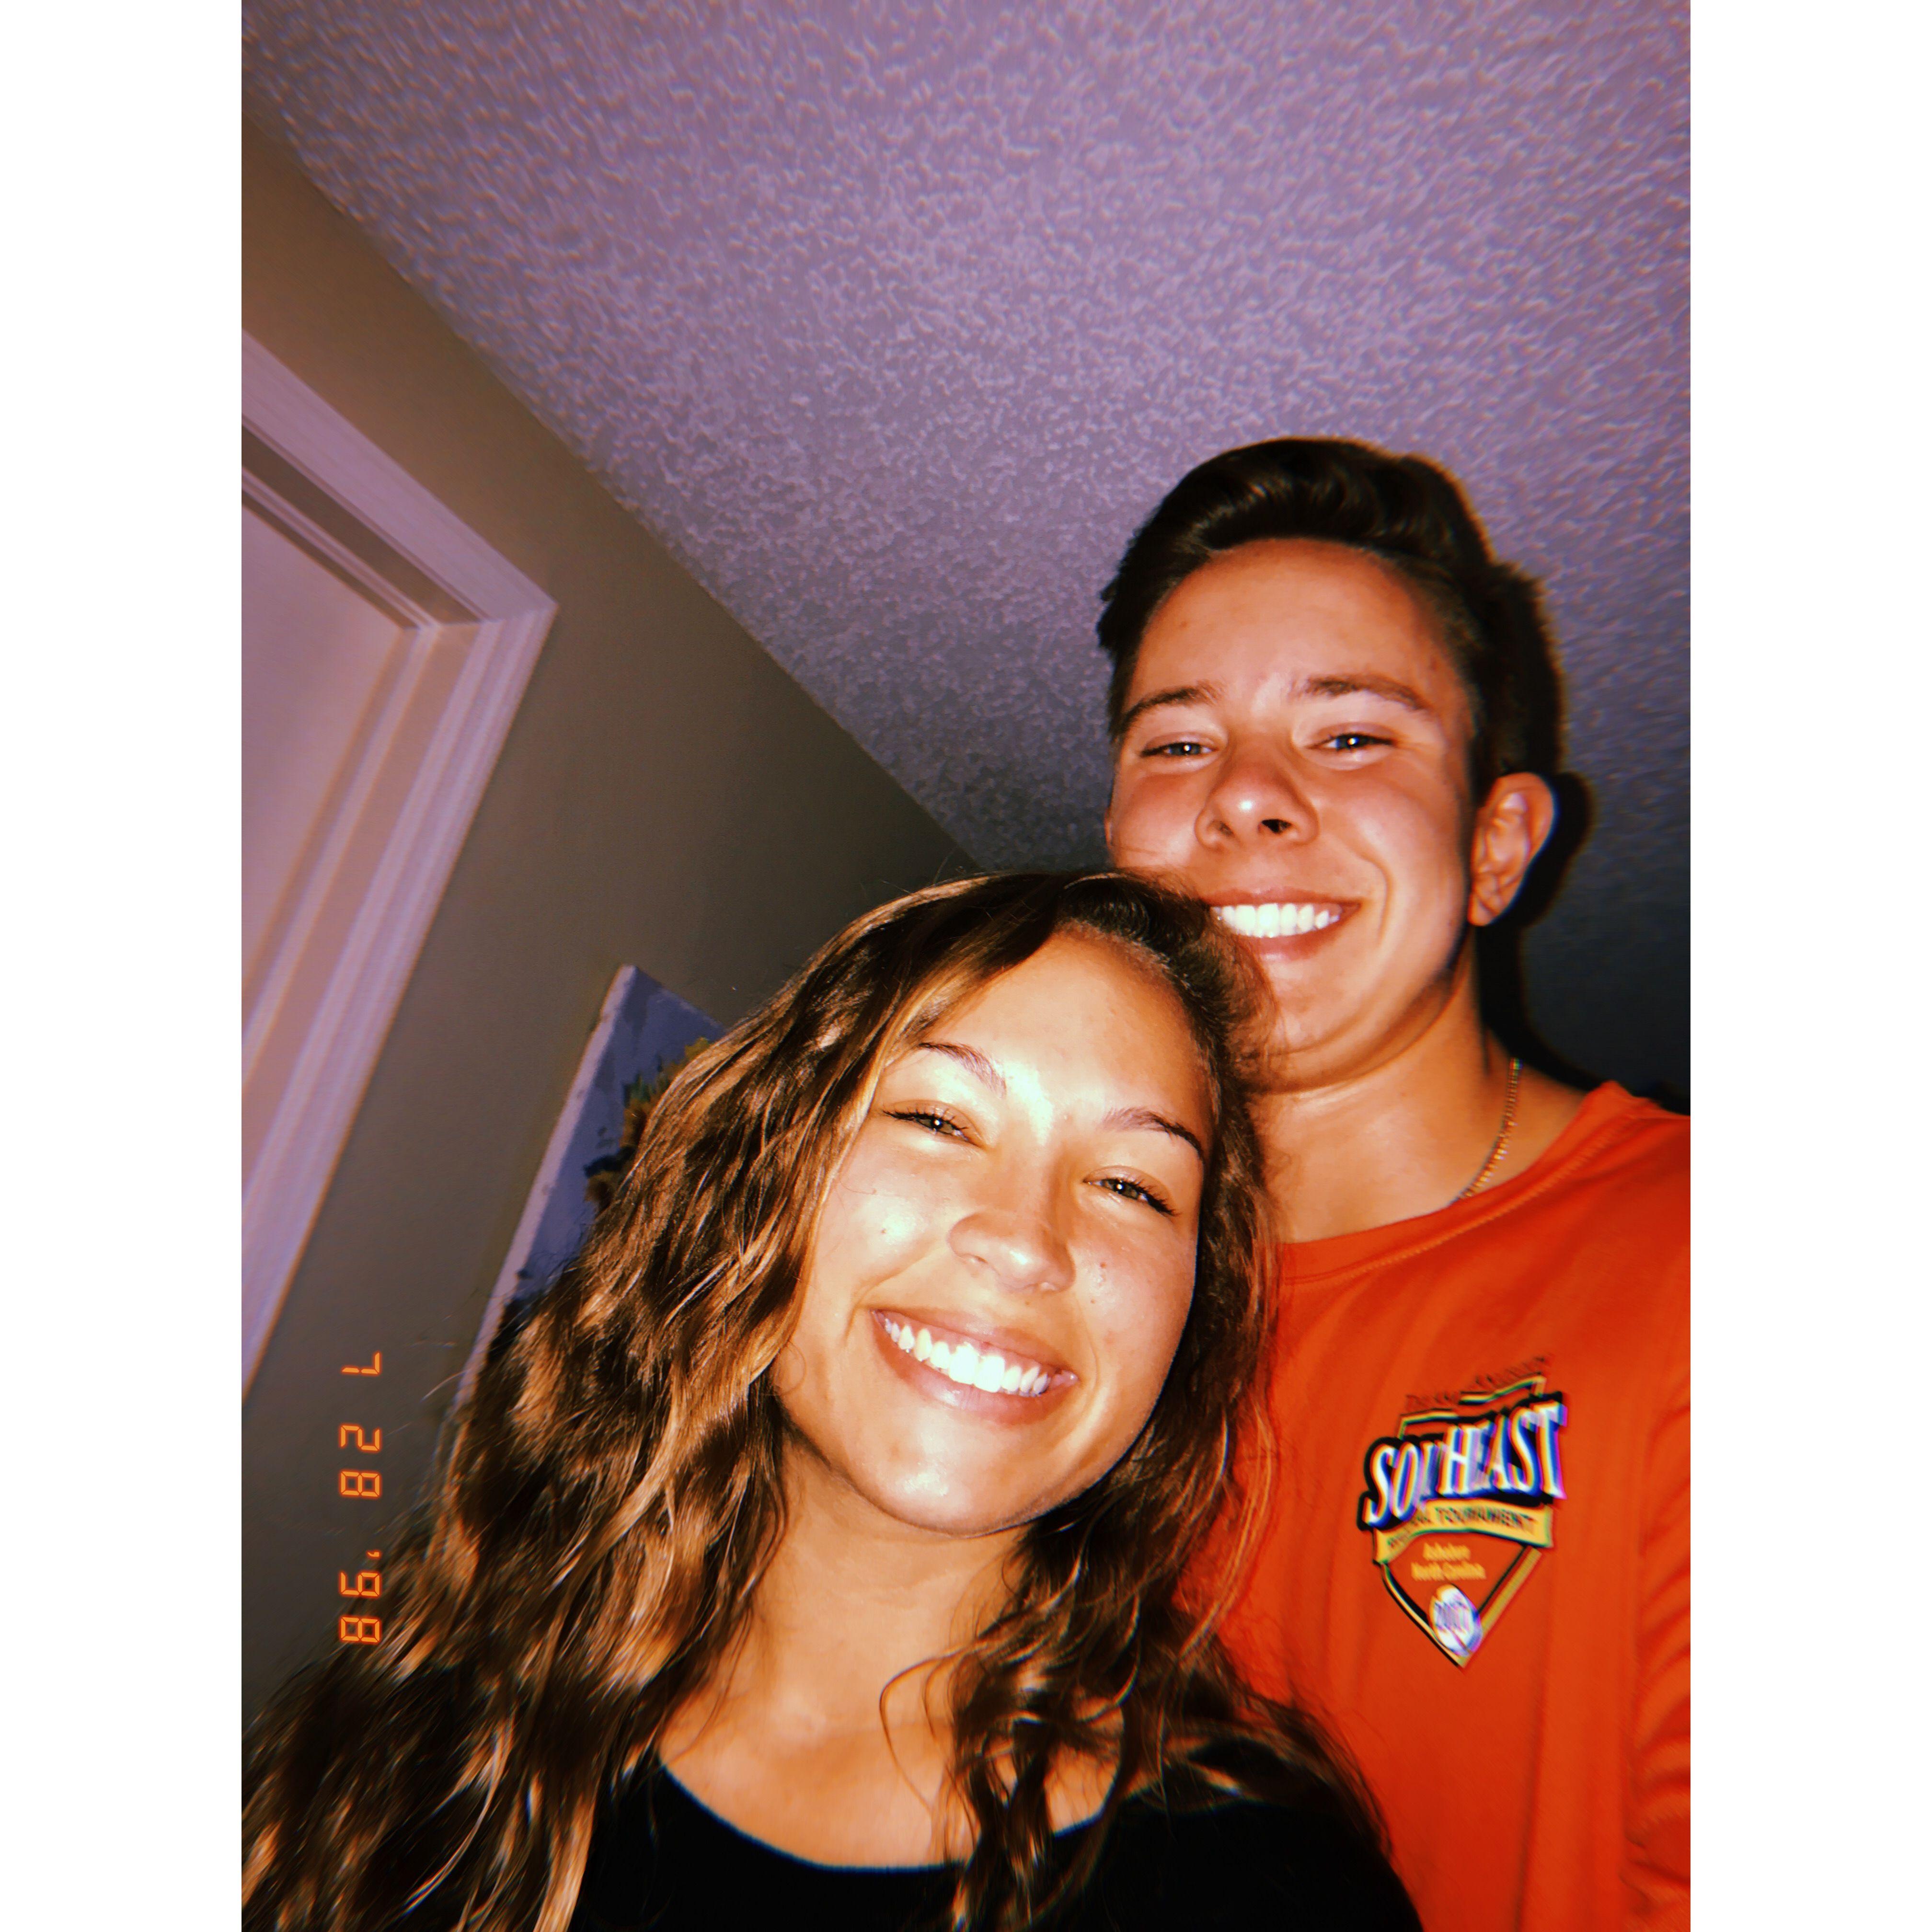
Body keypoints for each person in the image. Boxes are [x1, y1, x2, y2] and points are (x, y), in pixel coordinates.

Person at [243, 871, 1419, 1932]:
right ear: (761, 1181)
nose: (1026, 1243)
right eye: (939, 1120)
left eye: (1131, 1185)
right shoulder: (426, 1722)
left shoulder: (1265, 1891)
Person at [1099, 439, 1690, 1932]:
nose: (1246, 798)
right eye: (1177, 744)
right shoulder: (1055, 1299)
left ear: (1496, 848)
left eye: (1353, 735)